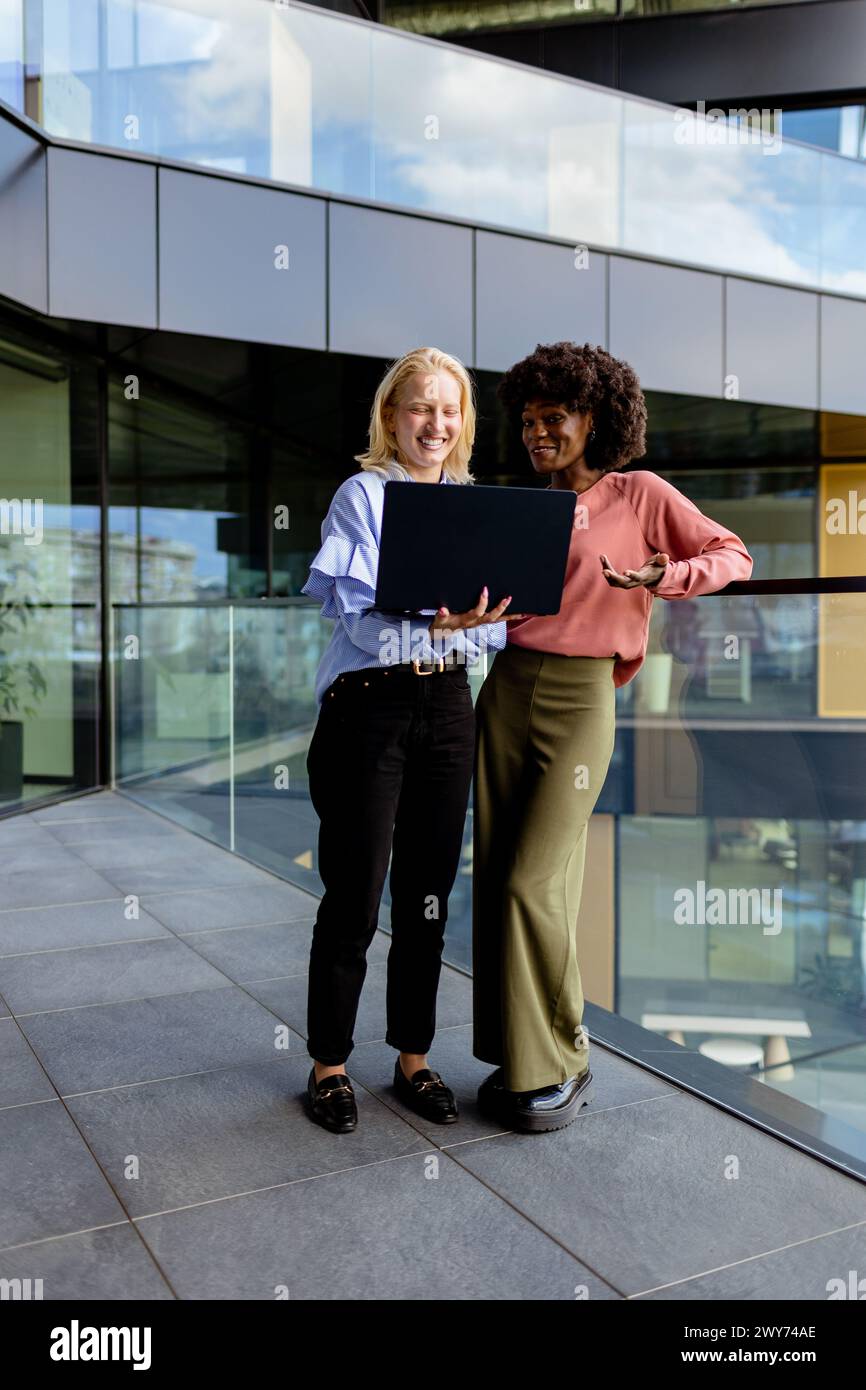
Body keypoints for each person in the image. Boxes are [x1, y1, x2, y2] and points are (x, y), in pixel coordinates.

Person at [472, 341, 754, 1133]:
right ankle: (515, 1055)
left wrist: (666, 579)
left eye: (553, 418)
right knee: (496, 875)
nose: (536, 433)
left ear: (594, 418)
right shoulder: (521, 504)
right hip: (505, 690)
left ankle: (566, 1053)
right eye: (528, 421)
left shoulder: (639, 494)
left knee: (537, 881)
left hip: (583, 697)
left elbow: (733, 553)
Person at [301, 346, 517, 1133]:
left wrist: (474, 628)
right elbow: (356, 620)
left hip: (449, 710)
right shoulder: (363, 495)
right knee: (355, 894)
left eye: (449, 408)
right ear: (390, 417)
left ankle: (413, 1059)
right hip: (371, 710)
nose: (436, 422)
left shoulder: (470, 500)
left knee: (427, 894)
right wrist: (437, 624)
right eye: (420, 407)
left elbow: (487, 638)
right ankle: (328, 1066)